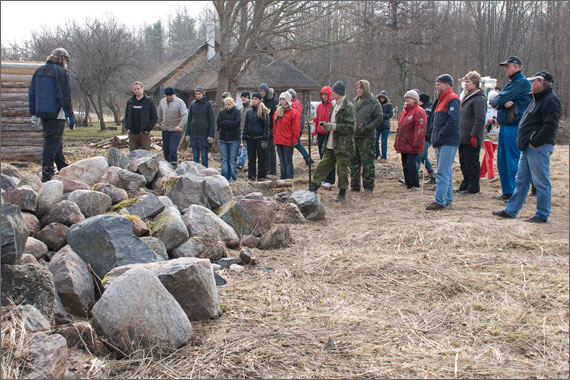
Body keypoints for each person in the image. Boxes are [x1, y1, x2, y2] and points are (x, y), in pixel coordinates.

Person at [492, 71, 561, 223]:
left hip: (538, 147)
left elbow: (550, 126)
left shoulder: (550, 100)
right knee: (521, 180)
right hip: (527, 147)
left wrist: (534, 141)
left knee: (541, 181)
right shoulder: (536, 99)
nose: (530, 84)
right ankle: (511, 210)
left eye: (533, 82)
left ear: (541, 82)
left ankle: (542, 214)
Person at [28, 47, 75, 182]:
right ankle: (47, 172)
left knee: (55, 139)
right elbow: (64, 96)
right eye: (66, 61)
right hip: (56, 111)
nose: (66, 63)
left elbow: (32, 93)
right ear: (63, 59)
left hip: (42, 111)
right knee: (51, 142)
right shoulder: (60, 72)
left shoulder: (39, 71)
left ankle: (62, 165)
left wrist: (34, 112)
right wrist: (70, 115)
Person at [489, 56, 532, 200]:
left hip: (514, 126)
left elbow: (498, 100)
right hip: (506, 126)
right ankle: (508, 191)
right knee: (503, 161)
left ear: (516, 66)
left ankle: (517, 192)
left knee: (513, 160)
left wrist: (500, 100)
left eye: (508, 66)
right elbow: (495, 100)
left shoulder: (521, 83)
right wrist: (500, 100)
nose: (506, 69)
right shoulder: (512, 83)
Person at [309, 81, 356, 202]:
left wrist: (334, 126)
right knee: (324, 164)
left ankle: (342, 192)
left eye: (334, 92)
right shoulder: (334, 107)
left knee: (342, 169)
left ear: (339, 92)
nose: (332, 94)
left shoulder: (348, 107)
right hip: (331, 142)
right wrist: (327, 126)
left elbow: (351, 127)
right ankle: (314, 186)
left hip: (343, 145)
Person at [426, 74, 461, 211]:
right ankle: (447, 198)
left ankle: (439, 200)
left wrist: (441, 135)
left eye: (439, 84)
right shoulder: (441, 100)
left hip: (447, 141)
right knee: (446, 172)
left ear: (447, 84)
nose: (437, 87)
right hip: (441, 141)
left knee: (442, 172)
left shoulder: (452, 99)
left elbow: (453, 121)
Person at [457, 71, 487, 194]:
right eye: (465, 82)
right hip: (463, 135)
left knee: (471, 161)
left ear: (475, 83)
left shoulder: (479, 98)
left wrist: (474, 135)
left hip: (471, 135)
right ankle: (466, 182)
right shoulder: (467, 96)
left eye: (468, 82)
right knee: (463, 161)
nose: (466, 84)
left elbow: (479, 118)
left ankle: (474, 186)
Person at [351, 80, 383, 194]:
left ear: (366, 89)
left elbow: (379, 118)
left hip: (367, 137)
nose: (359, 90)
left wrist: (368, 127)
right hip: (355, 136)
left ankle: (368, 186)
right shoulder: (355, 101)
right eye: (358, 88)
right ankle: (354, 185)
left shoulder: (373, 102)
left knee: (367, 163)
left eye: (361, 88)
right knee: (354, 162)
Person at [394, 90, 427, 189]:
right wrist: (397, 142)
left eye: (409, 98)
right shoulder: (404, 111)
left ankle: (415, 184)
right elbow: (400, 128)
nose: (407, 99)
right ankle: (408, 184)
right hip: (404, 143)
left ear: (415, 100)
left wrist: (416, 143)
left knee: (410, 163)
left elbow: (420, 129)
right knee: (405, 164)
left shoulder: (419, 111)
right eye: (406, 98)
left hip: (413, 144)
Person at [157, 86, 187, 168]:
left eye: (171, 95)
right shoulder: (162, 102)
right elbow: (159, 114)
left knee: (172, 149)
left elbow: (185, 115)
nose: (169, 97)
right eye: (167, 96)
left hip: (175, 130)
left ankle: (173, 166)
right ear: (165, 95)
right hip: (165, 129)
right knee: (166, 149)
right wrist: (157, 122)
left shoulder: (180, 102)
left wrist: (180, 125)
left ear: (173, 94)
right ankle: (167, 166)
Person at [242, 92, 270, 181]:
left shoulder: (263, 111)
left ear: (259, 100)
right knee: (251, 159)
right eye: (252, 99)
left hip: (260, 138)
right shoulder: (249, 111)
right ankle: (251, 176)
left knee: (261, 159)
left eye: (255, 99)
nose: (253, 100)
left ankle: (262, 176)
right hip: (250, 138)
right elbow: (246, 125)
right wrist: (244, 138)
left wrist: (265, 139)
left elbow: (266, 126)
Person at [273, 92, 301, 179]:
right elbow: (275, 126)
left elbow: (296, 128)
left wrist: (295, 139)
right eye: (281, 99)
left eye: (284, 99)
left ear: (288, 101)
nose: (282, 101)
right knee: (281, 161)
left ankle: (289, 178)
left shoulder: (293, 112)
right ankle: (282, 177)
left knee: (288, 161)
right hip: (279, 140)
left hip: (288, 140)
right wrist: (275, 137)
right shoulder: (277, 111)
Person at [124, 81, 157, 152]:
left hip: (144, 134)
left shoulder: (149, 101)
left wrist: (148, 129)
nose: (136, 91)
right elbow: (126, 116)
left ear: (143, 89)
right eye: (135, 89)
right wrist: (127, 127)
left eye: (138, 89)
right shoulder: (130, 101)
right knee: (133, 156)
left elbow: (154, 117)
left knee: (145, 155)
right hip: (132, 134)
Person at [185, 86, 214, 167]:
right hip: (194, 132)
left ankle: (204, 172)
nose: (197, 95)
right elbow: (189, 119)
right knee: (195, 156)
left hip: (204, 133)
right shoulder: (193, 104)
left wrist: (211, 135)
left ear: (203, 94)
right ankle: (196, 173)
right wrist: (187, 133)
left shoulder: (208, 104)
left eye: (199, 94)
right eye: (196, 94)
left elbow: (211, 120)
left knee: (204, 155)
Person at [314, 86, 336, 189]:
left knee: (329, 156)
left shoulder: (332, 106)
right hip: (320, 134)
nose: (324, 97)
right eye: (322, 94)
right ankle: (324, 177)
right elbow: (316, 120)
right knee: (322, 156)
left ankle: (330, 179)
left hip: (329, 133)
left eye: (326, 94)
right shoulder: (319, 107)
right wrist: (314, 133)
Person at [216, 96, 241, 181]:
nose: (227, 106)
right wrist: (230, 124)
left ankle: (233, 177)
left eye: (228, 104)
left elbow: (237, 123)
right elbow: (219, 123)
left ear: (232, 104)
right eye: (225, 104)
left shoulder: (237, 112)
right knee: (224, 159)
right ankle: (224, 177)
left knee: (232, 159)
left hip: (234, 139)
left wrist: (226, 122)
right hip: (223, 138)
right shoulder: (221, 112)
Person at [288, 88, 315, 166]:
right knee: (296, 144)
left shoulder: (294, 104)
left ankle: (308, 158)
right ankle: (307, 158)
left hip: (297, 126)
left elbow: (295, 117)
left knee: (296, 143)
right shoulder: (296, 102)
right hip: (299, 125)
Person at [415, 93, 436, 184]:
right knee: (424, 157)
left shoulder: (426, 110)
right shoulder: (424, 108)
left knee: (418, 157)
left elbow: (425, 125)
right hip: (425, 136)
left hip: (426, 137)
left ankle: (413, 178)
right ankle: (432, 174)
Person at [481, 86, 500, 181]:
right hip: (486, 133)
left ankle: (481, 173)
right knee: (490, 154)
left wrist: (497, 120)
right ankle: (491, 175)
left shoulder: (499, 108)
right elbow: (482, 120)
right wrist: (488, 121)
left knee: (489, 154)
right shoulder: (485, 108)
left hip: (496, 133)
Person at [258, 83, 278, 175]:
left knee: (270, 149)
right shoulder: (262, 101)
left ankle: (271, 169)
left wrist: (271, 128)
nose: (261, 93)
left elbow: (274, 115)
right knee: (265, 150)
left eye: (262, 91)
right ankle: (267, 168)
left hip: (271, 127)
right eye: (260, 91)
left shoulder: (273, 101)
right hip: (264, 128)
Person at [376, 91, 393, 161]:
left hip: (385, 126)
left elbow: (390, 115)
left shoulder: (389, 105)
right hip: (377, 125)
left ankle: (384, 156)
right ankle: (377, 153)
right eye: (381, 98)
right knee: (375, 140)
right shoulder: (377, 105)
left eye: (383, 98)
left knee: (384, 142)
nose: (382, 99)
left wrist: (382, 116)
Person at [237, 91, 251, 171]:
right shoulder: (241, 109)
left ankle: (241, 163)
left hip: (249, 132)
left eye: (244, 97)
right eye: (242, 97)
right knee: (241, 148)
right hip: (241, 132)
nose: (243, 99)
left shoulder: (251, 108)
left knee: (245, 148)